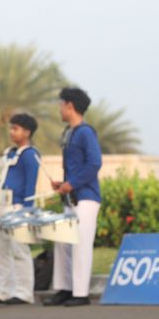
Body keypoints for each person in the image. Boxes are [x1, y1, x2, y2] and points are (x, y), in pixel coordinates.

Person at [45, 87, 102, 307]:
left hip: (86, 198)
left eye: (61, 105)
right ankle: (65, 289)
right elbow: (76, 167)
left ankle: (81, 293)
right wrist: (63, 184)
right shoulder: (69, 132)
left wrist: (72, 184)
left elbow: (94, 163)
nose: (59, 109)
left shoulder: (85, 132)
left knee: (81, 246)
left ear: (70, 105)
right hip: (71, 199)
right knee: (63, 244)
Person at [0, 113, 40, 305]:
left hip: (17, 207)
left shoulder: (30, 154)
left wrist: (27, 211)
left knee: (20, 251)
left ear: (27, 132)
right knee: (0, 251)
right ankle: (5, 291)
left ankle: (24, 292)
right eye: (11, 128)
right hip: (1, 206)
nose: (11, 132)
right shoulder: (9, 153)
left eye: (16, 128)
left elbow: (30, 186)